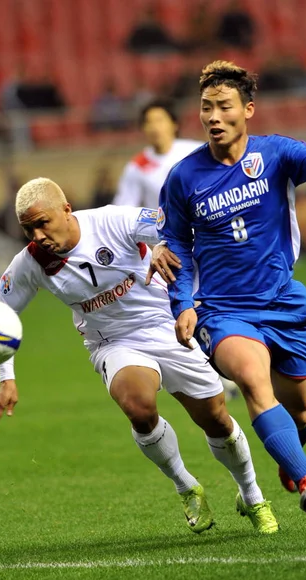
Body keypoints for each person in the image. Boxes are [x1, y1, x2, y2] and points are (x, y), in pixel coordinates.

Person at [0, 177, 279, 535]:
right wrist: (7, 377)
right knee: (138, 405)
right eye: (27, 229)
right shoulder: (31, 262)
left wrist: (160, 246)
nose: (36, 236)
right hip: (112, 341)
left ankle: (251, 495)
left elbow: (168, 225)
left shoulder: (110, 221)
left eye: (42, 223)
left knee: (216, 418)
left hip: (165, 323)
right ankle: (186, 486)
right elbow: (0, 313)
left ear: (66, 210)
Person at [146, 60, 306, 517]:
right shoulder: (184, 178)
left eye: (223, 106)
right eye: (206, 107)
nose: (213, 116)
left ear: (248, 109)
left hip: (283, 302)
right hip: (223, 312)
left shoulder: (274, 154)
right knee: (251, 379)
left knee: (302, 413)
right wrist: (183, 304)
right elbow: (176, 249)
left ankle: (290, 459)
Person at [113, 98, 240, 400]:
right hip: (168, 251)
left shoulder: (193, 152)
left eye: (160, 120)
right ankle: (216, 375)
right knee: (183, 310)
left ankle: (229, 366)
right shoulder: (138, 167)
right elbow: (122, 211)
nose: (154, 127)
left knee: (213, 304)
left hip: (207, 241)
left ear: (173, 124)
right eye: (148, 122)